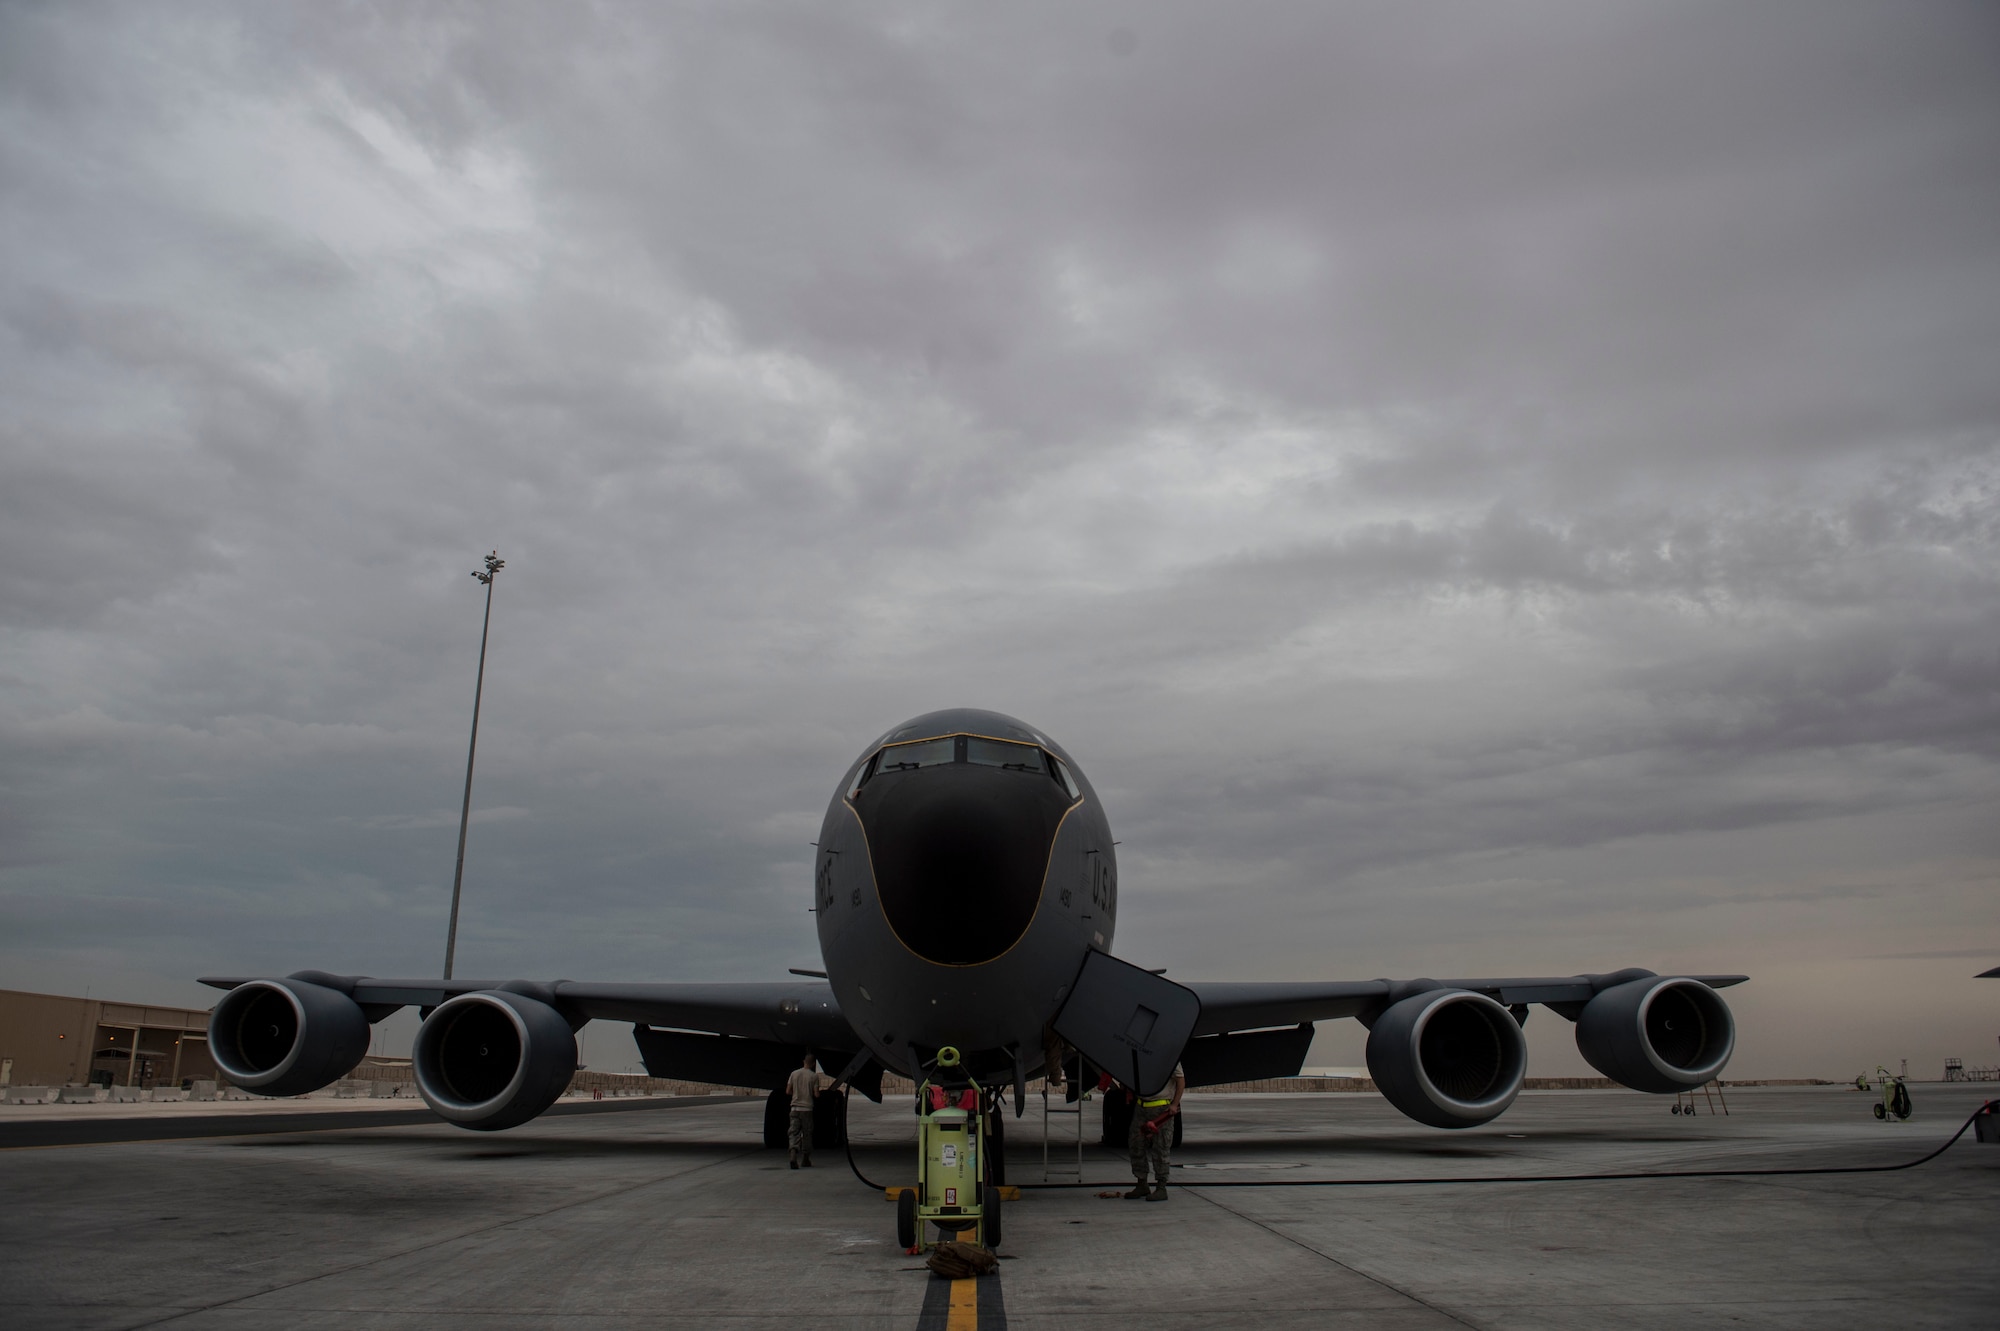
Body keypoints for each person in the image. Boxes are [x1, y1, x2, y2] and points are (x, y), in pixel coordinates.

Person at [1124, 1061, 1184, 1201]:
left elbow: (1180, 1080)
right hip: (1141, 1107)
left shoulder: (1170, 1058)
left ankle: (1161, 1187)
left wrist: (1175, 1104)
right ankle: (1142, 1183)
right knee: (1136, 1145)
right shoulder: (1142, 1058)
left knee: (1160, 1148)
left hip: (1161, 1109)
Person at [786, 1053, 819, 1169]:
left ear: (803, 1061)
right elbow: (816, 1094)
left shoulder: (794, 1073)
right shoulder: (814, 1076)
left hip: (794, 1108)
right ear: (813, 1064)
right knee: (807, 1134)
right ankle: (805, 1159)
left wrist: (796, 1094)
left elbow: (788, 1091)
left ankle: (793, 1154)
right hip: (807, 1109)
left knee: (793, 1132)